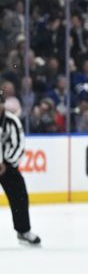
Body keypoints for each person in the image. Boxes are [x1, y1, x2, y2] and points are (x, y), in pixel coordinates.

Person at [0, 89, 41, 247]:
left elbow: (19, 144)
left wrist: (6, 163)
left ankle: (23, 231)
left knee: (19, 196)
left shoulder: (12, 121)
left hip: (7, 167)